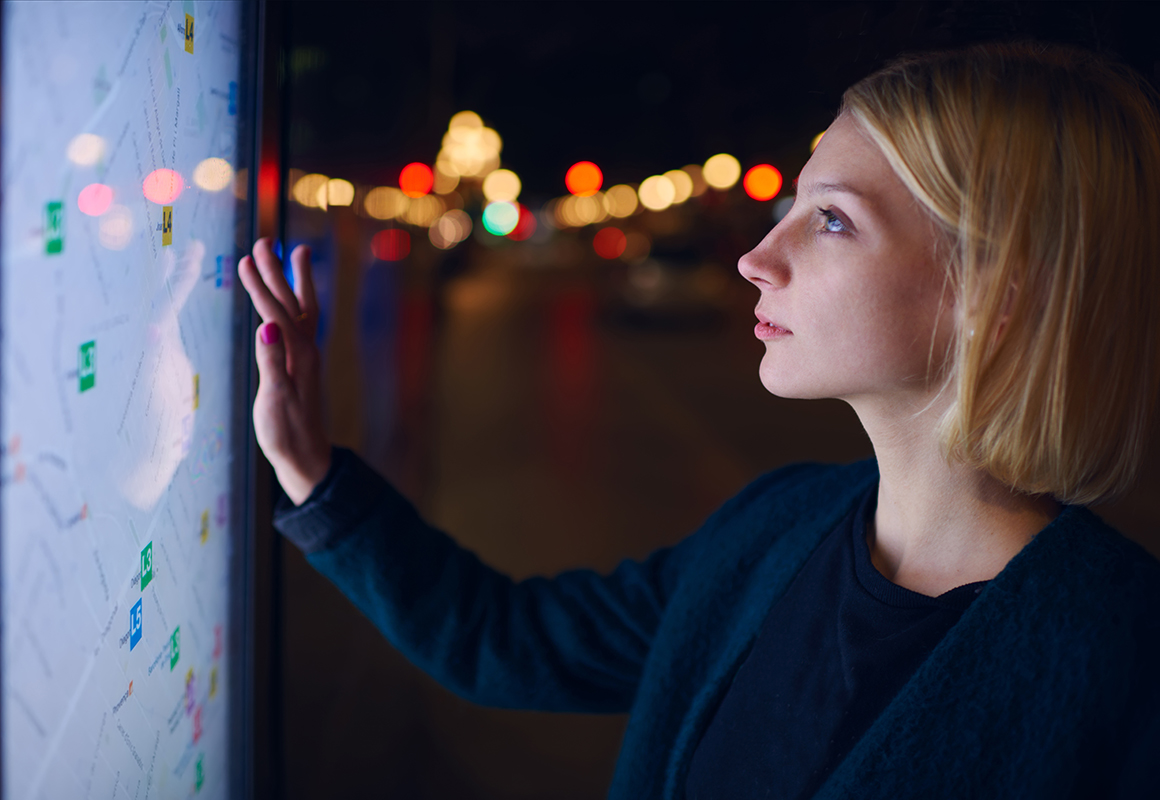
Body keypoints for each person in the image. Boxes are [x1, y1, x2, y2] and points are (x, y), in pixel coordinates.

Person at [237, 42, 1160, 799]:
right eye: (788, 207)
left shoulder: (1125, 664)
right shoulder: (774, 526)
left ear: (996, 292)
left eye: (832, 221)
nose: (757, 257)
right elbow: (505, 640)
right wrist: (314, 472)